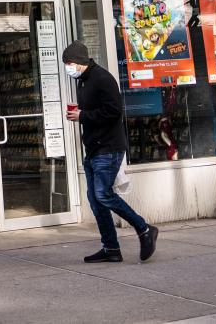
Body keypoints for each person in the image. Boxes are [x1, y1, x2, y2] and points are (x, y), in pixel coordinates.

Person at [62, 40, 158, 264]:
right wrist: (81, 114)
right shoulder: (83, 82)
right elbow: (96, 110)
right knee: (95, 199)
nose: (67, 67)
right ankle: (111, 247)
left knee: (103, 194)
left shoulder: (102, 79)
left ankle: (144, 229)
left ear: (79, 62)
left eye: (68, 63)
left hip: (108, 147)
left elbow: (114, 111)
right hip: (94, 148)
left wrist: (83, 116)